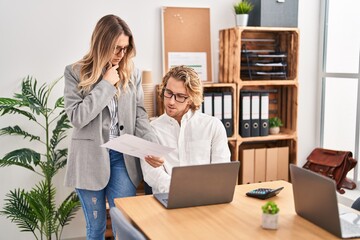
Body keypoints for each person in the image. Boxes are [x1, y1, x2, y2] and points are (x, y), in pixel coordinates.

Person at [63, 14, 157, 239]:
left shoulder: (131, 72)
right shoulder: (75, 72)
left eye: (125, 48)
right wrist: (105, 84)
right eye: (117, 48)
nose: (121, 54)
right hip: (90, 158)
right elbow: (77, 117)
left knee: (124, 228)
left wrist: (151, 146)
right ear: (101, 43)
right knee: (95, 228)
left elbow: (139, 115)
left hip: (123, 157)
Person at [141, 65, 231, 194]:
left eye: (180, 96)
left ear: (191, 98)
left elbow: (221, 170)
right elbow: (152, 175)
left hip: (205, 196)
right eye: (169, 93)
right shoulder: (151, 129)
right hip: (167, 197)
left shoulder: (213, 126)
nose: (171, 101)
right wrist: (181, 191)